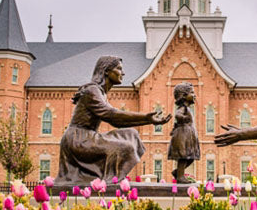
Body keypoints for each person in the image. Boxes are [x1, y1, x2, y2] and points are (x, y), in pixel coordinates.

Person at [54, 56, 171, 186]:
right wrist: (145, 118)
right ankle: (109, 183)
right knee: (124, 147)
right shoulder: (92, 91)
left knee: (132, 134)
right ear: (106, 71)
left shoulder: (100, 92)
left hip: (89, 136)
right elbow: (111, 115)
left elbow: (117, 122)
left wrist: (148, 121)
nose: (123, 73)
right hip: (79, 139)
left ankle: (111, 180)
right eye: (119, 69)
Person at [168, 82, 200, 183]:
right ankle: (180, 176)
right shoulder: (183, 108)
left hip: (188, 134)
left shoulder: (188, 108)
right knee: (183, 156)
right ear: (184, 96)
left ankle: (178, 172)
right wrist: (184, 118)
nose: (195, 95)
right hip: (183, 135)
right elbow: (177, 115)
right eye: (192, 93)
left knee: (190, 157)